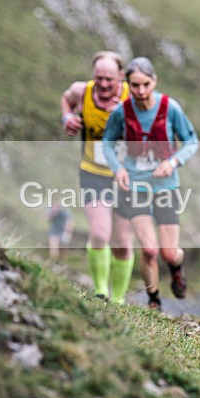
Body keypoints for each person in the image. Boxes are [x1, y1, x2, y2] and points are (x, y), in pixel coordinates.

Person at [103, 57, 199, 311]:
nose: (141, 91)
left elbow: (191, 141)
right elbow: (107, 143)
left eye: (145, 84)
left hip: (166, 186)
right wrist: (118, 169)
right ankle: (154, 300)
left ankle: (177, 268)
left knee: (169, 252)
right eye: (135, 85)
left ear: (154, 81)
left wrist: (173, 162)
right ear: (128, 85)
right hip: (135, 187)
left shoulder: (170, 108)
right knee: (148, 250)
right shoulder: (121, 112)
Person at [60, 51, 135, 304]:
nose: (103, 84)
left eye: (109, 80)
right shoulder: (81, 91)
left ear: (121, 77)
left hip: (127, 177)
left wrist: (126, 117)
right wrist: (68, 117)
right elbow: (66, 99)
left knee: (123, 243)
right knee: (101, 234)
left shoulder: (133, 96)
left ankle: (120, 299)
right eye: (99, 78)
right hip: (93, 172)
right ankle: (101, 291)